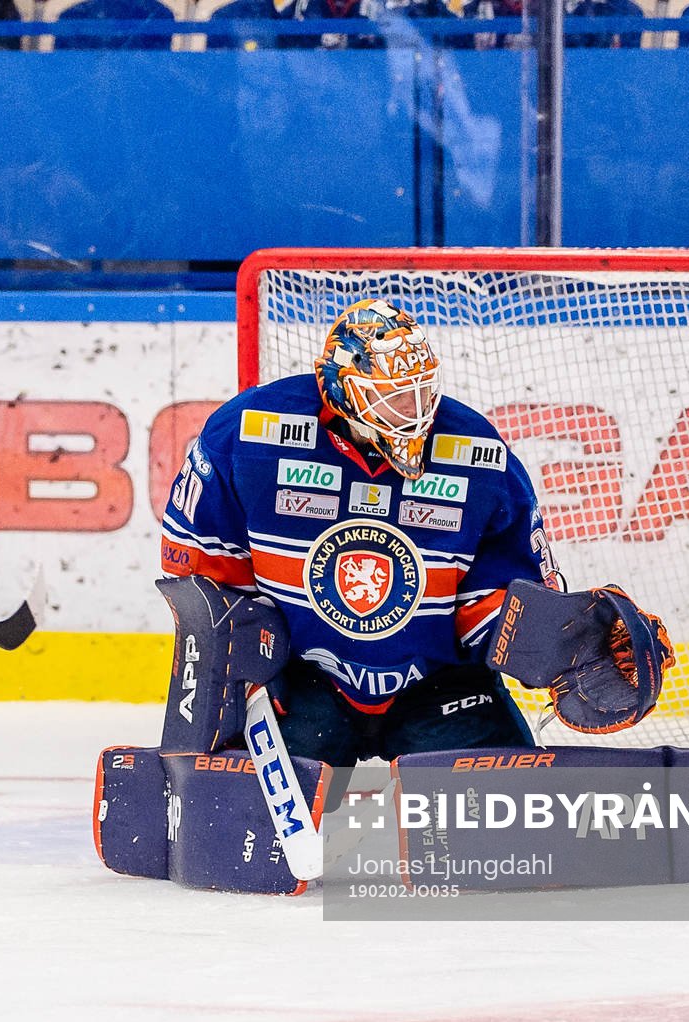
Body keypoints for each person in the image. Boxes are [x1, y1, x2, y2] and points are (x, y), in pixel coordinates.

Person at [159, 299, 599, 768]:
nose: (414, 411)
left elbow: (504, 594)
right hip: (301, 680)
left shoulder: (478, 452)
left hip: (439, 685)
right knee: (236, 821)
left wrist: (563, 644)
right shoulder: (248, 433)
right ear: (341, 389)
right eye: (393, 396)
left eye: (420, 391)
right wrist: (250, 665)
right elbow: (200, 569)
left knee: (503, 818)